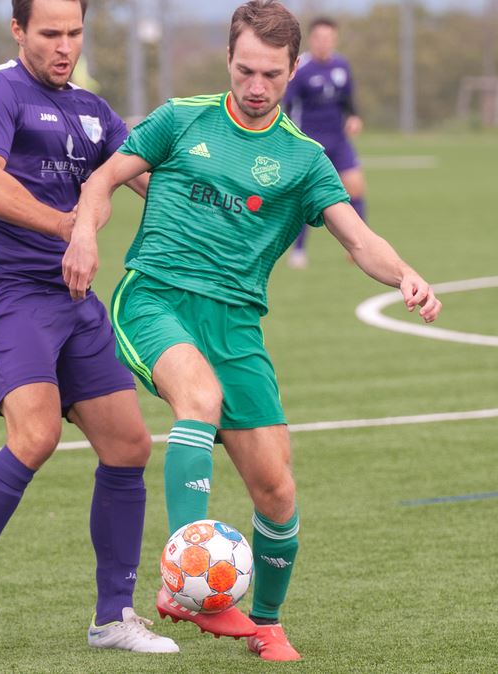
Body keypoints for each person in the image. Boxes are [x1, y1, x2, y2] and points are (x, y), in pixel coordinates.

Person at [61, 0, 441, 660]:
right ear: (228, 61)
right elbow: (105, 178)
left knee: (277, 487)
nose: (256, 86)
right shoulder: (182, 119)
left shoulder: (304, 160)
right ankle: (186, 586)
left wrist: (405, 271)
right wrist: (85, 237)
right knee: (198, 401)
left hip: (237, 327)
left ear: (293, 69)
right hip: (156, 299)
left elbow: (356, 239)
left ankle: (265, 621)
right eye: (244, 70)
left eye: (270, 73)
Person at [0, 0, 178, 661]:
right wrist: (73, 226)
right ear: (18, 30)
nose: (64, 45)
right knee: (33, 436)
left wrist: (227, 198)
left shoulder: (93, 110)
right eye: (50, 33)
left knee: (129, 445)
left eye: (74, 33)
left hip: (74, 296)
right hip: (3, 294)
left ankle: (113, 615)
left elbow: (143, 175)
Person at [281, 16, 366, 268]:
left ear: (335, 39)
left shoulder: (342, 65)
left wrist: (353, 117)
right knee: (305, 197)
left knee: (356, 188)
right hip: (309, 142)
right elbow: (288, 106)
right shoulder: (302, 69)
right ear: (311, 39)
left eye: (329, 38)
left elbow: (347, 100)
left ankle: (359, 248)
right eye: (319, 38)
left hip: (338, 141)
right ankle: (298, 251)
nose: (324, 42)